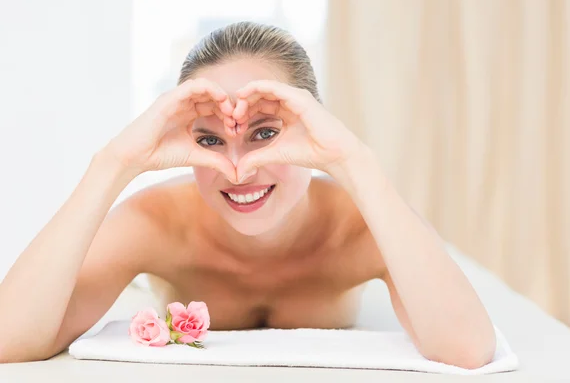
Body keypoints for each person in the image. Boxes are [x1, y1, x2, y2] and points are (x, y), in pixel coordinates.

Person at [0, 22, 495, 368]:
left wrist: (352, 160)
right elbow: (8, 339)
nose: (239, 170)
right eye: (210, 140)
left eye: (264, 134)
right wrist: (114, 163)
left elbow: (467, 349)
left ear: (312, 126)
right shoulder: (155, 223)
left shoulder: (360, 225)